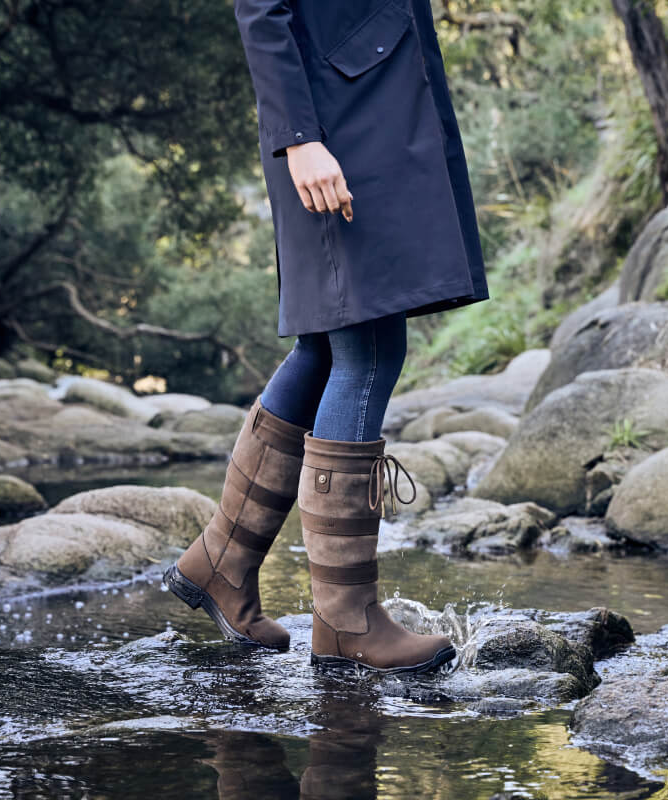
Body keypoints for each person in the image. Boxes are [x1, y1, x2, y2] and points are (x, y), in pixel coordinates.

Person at [163, 0, 489, 675]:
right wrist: (299, 137)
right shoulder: (312, 134)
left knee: (324, 344)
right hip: (332, 126)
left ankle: (222, 561)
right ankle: (347, 621)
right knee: (369, 346)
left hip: (364, 109)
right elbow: (261, 7)